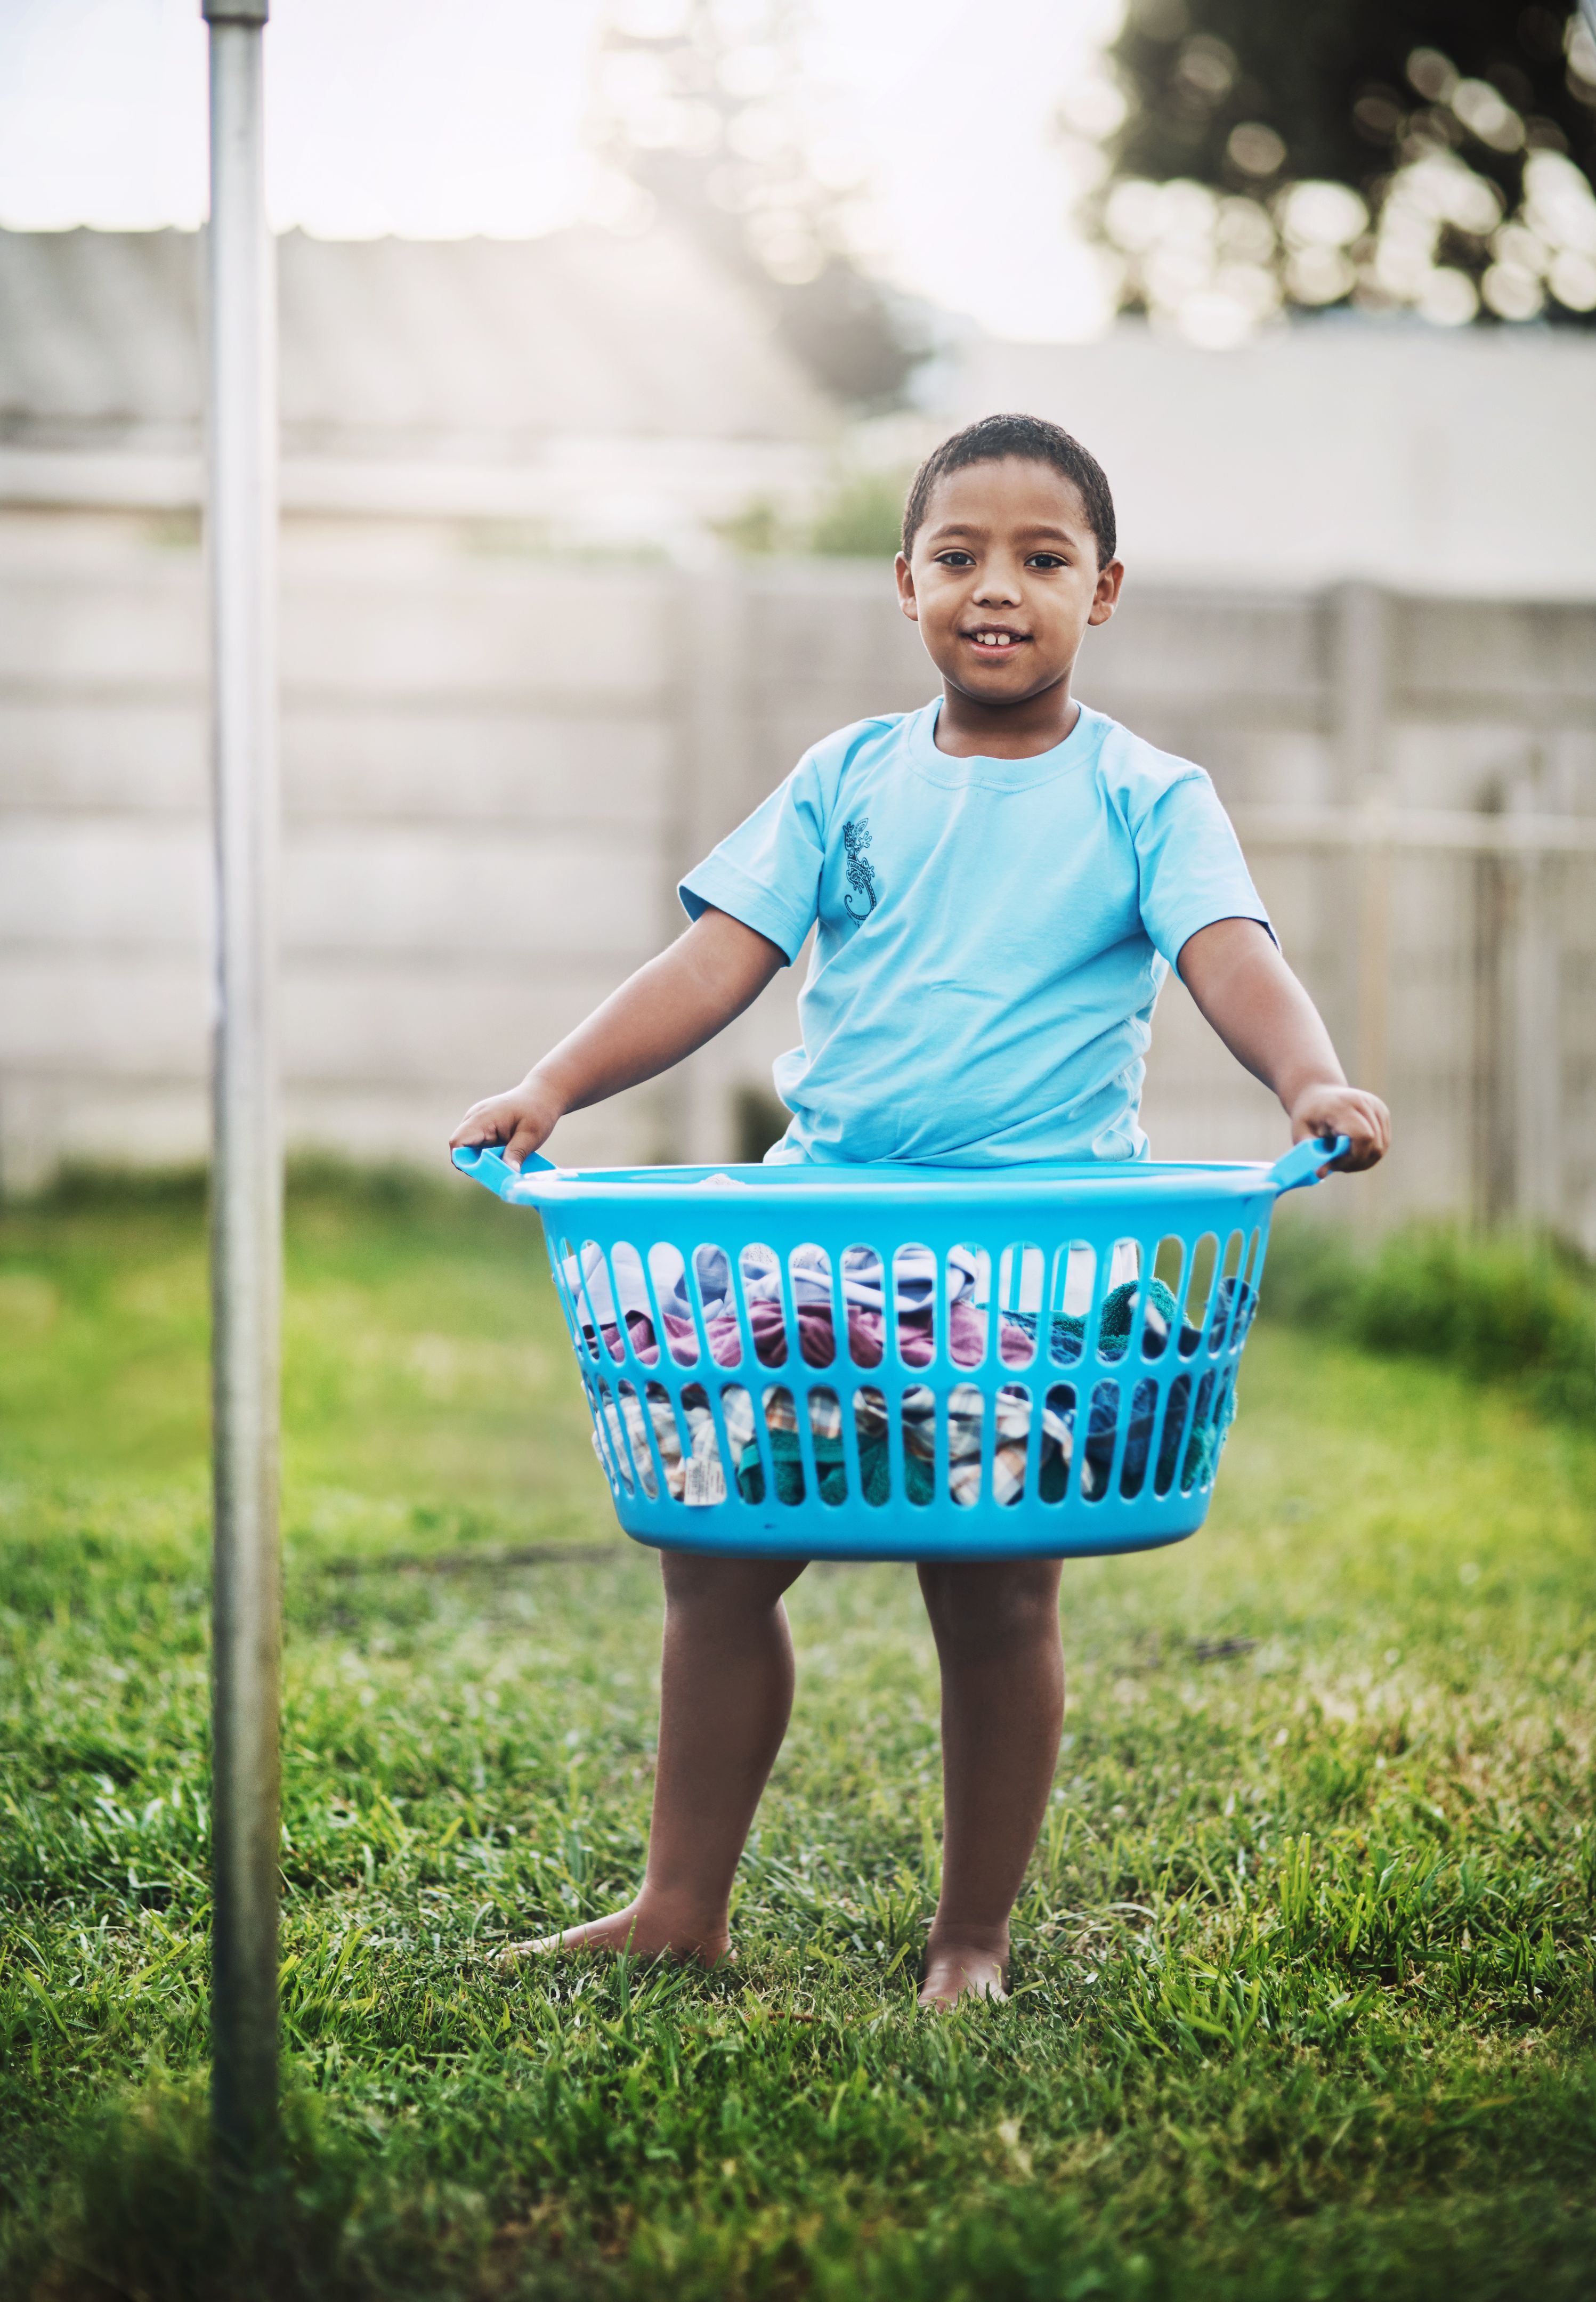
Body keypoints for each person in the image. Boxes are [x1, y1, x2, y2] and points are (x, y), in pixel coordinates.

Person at [449, 412, 1390, 2007]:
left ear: (1106, 591)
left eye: (1043, 558)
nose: (996, 588)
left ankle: (972, 1938)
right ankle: (681, 1903)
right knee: (718, 1559)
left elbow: (1228, 950)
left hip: (1035, 1260)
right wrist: (554, 1086)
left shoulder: (1149, 796)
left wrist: (1308, 1082)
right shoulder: (845, 777)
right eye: (958, 557)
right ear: (903, 583)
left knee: (997, 1582)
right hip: (831, 1240)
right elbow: (714, 961)